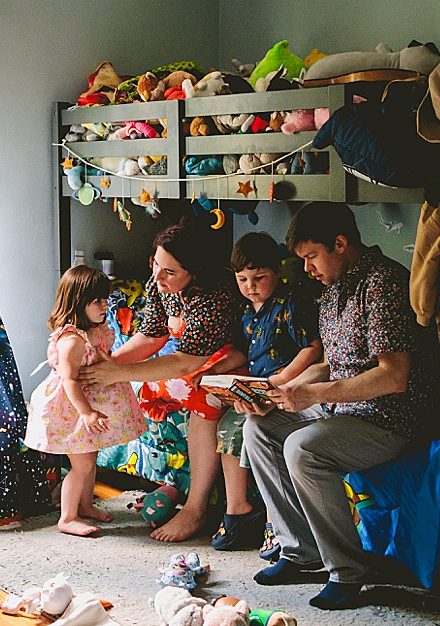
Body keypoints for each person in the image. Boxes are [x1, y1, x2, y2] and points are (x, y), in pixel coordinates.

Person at [237, 202, 440, 610]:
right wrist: (285, 390)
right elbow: (335, 362)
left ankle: (348, 572)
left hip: (388, 415)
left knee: (303, 447)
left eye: (312, 257)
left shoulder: (382, 284)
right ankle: (301, 552)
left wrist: (313, 395)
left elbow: (392, 376)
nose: (308, 269)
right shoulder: (332, 292)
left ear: (341, 244)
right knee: (258, 428)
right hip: (344, 409)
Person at [79, 218, 247, 542]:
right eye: (156, 264)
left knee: (202, 396)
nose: (157, 277)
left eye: (170, 272)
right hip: (188, 357)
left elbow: (188, 361)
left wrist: (120, 372)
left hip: (226, 358)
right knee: (111, 381)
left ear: (195, 273)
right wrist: (106, 365)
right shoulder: (159, 283)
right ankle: (82, 485)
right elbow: (151, 335)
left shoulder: (214, 294)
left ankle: (195, 508)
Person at [210, 232, 323, 552]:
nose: (251, 286)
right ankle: (238, 511)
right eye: (243, 279)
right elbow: (243, 352)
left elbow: (312, 348)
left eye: (259, 277)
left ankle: (275, 521)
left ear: (276, 272)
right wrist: (215, 371)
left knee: (253, 430)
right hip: (259, 389)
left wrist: (280, 380)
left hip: (288, 388)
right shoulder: (247, 312)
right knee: (228, 426)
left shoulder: (289, 304)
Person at [24, 265, 148, 538]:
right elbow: (69, 380)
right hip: (70, 408)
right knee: (80, 466)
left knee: (90, 460)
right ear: (78, 302)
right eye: (98, 301)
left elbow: (102, 357)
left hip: (84, 401)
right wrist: (87, 413)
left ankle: (85, 505)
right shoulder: (71, 340)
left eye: (106, 299)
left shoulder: (95, 329)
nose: (105, 306)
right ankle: (67, 517)